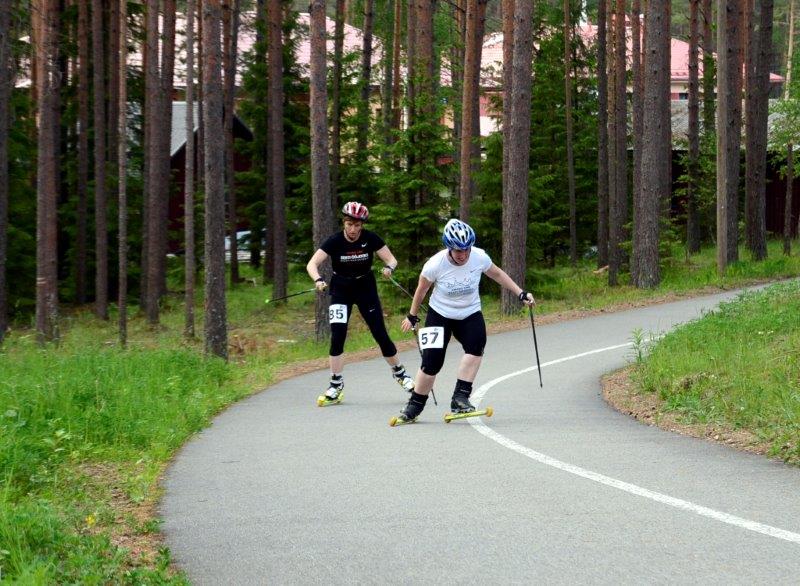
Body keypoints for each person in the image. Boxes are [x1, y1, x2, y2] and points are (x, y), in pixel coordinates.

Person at [396, 218, 535, 423]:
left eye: (466, 250)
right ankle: (414, 406)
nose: (463, 255)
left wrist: (520, 293)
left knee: (476, 346)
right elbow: (421, 290)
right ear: (448, 248)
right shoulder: (435, 264)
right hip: (440, 314)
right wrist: (412, 315)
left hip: (469, 312)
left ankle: (460, 398)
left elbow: (497, 274)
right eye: (457, 251)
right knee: (431, 362)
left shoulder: (479, 257)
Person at [306, 201, 415, 405]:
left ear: (362, 225)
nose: (353, 230)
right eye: (349, 224)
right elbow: (312, 263)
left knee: (380, 333)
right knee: (338, 335)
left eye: (357, 225)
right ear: (344, 223)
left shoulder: (370, 238)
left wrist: (389, 268)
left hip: (365, 288)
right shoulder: (335, 241)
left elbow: (392, 260)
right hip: (341, 290)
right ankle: (335, 385)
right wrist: (318, 279)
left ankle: (401, 374)